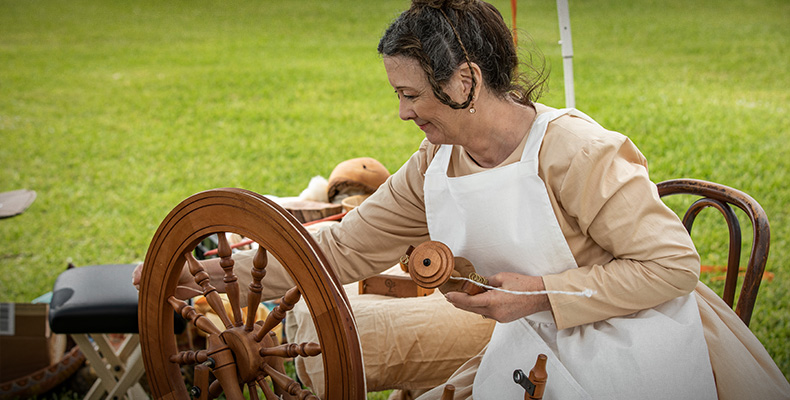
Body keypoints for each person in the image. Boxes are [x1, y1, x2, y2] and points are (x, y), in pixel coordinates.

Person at [134, 0, 790, 398]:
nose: (400, 112)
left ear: (466, 81)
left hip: (632, 358)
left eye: (411, 94)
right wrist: (198, 274)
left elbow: (672, 267)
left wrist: (539, 293)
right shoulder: (436, 166)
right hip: (530, 354)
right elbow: (341, 250)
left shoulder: (578, 152)